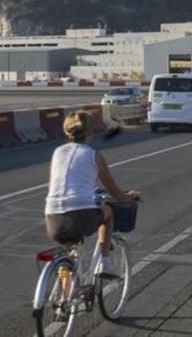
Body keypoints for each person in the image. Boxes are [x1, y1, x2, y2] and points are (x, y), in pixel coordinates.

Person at [44, 111, 141, 277]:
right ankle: (104, 262)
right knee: (108, 212)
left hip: (52, 218)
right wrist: (129, 196)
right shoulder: (93, 156)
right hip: (79, 215)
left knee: (69, 254)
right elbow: (115, 192)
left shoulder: (58, 152)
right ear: (90, 132)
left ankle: (64, 298)